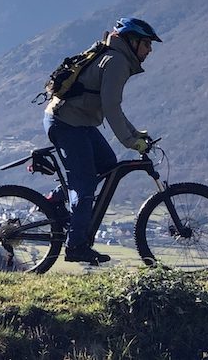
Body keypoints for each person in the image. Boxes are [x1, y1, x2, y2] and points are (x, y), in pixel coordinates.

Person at [43, 16, 162, 265]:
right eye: (147, 44)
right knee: (85, 185)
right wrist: (131, 141)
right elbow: (110, 107)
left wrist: (135, 133)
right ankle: (75, 245)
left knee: (108, 164)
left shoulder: (115, 55)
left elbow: (113, 107)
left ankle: (55, 199)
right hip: (66, 123)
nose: (150, 50)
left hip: (76, 120)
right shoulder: (117, 61)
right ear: (132, 41)